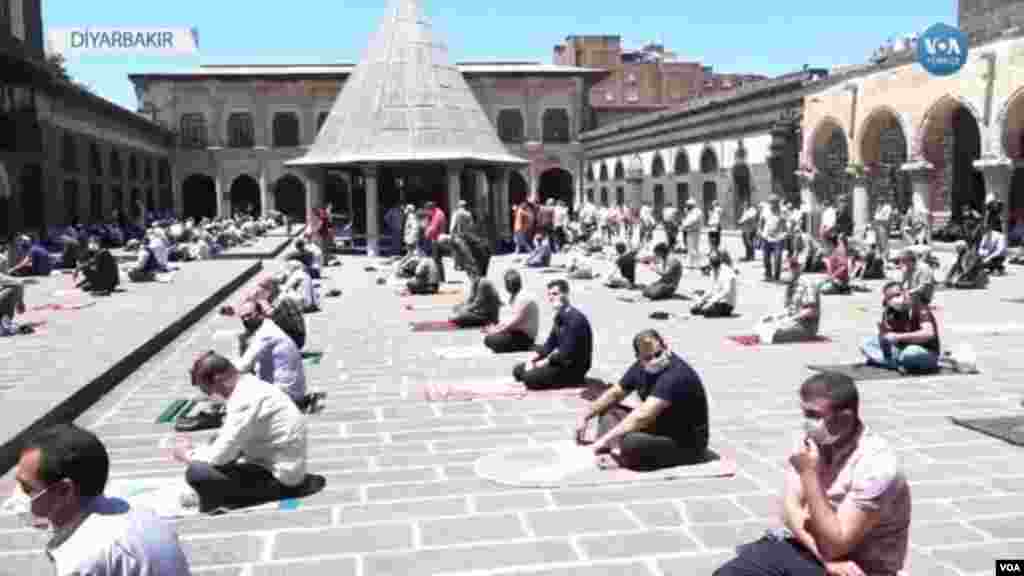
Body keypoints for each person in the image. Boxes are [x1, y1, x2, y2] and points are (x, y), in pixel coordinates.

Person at [714, 372, 910, 576]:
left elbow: (836, 545)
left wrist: (808, 474)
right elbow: (789, 510)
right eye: (805, 413)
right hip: (810, 547)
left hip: (858, 565)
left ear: (844, 418)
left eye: (814, 415)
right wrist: (823, 557)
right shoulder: (812, 441)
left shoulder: (877, 467)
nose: (806, 422)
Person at [13, 424, 191, 575]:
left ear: (64, 491)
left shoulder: (83, 556)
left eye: (27, 488)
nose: (19, 494)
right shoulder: (136, 511)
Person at [174, 352, 308, 514]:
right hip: (285, 467)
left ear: (217, 381)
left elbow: (220, 456)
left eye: (208, 390)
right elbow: (229, 442)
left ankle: (219, 498)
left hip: (282, 480)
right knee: (215, 447)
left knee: (197, 472)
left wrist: (187, 454)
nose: (211, 396)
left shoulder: (243, 400)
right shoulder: (250, 385)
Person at [576, 329, 709, 471]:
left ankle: (620, 452)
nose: (654, 360)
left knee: (632, 443)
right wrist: (585, 416)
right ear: (638, 357)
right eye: (647, 358)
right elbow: (615, 393)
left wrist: (603, 441)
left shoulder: (676, 375)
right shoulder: (640, 367)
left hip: (684, 441)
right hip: (658, 424)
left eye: (658, 354)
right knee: (609, 409)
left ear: (666, 346)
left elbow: (643, 415)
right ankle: (617, 448)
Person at [513, 279, 593, 389]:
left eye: (555, 294)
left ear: (566, 294)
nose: (552, 298)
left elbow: (566, 352)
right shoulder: (559, 316)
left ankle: (572, 381)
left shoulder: (575, 318)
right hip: (560, 361)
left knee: (528, 378)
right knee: (518, 370)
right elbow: (550, 343)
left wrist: (542, 363)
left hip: (572, 367)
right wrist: (533, 358)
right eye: (549, 295)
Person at [234, 300, 307, 405]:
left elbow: (242, 366)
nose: (246, 320)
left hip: (286, 393)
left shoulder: (265, 334)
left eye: (249, 315)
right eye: (243, 317)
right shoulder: (268, 327)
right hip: (292, 389)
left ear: (261, 314)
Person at [860, 281, 941, 374]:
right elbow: (887, 338)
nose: (896, 299)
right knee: (866, 343)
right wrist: (884, 336)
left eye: (898, 294)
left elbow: (928, 333)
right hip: (901, 348)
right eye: (891, 297)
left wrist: (897, 337)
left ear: (905, 293)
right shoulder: (889, 311)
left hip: (925, 350)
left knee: (910, 353)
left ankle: (891, 363)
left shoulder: (919, 306)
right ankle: (895, 363)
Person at [755, 253, 822, 344]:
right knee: (763, 324)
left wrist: (790, 319)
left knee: (774, 334)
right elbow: (789, 310)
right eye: (785, 270)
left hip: (805, 326)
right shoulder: (791, 285)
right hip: (793, 322)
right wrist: (775, 317)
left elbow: (811, 311)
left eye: (788, 269)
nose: (786, 272)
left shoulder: (807, 284)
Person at [483, 269, 539, 353]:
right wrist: (496, 327)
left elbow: (514, 322)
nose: (508, 287)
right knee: (490, 338)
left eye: (509, 284)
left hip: (524, 337)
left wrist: (496, 330)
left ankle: (518, 346)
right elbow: (508, 320)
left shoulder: (524, 298)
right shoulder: (516, 296)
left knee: (490, 339)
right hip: (515, 332)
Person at [691, 253, 737, 318]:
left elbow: (726, 291)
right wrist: (701, 299)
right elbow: (711, 290)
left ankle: (717, 311)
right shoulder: (713, 271)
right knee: (693, 309)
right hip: (715, 300)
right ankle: (709, 309)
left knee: (706, 311)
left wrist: (711, 302)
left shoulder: (727, 272)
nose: (712, 269)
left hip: (726, 303)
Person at [760, 196, 785, 281]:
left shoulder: (782, 211)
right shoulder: (765, 210)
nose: (772, 205)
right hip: (766, 237)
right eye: (771, 202)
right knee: (765, 257)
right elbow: (762, 222)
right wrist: (760, 231)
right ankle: (768, 274)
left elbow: (786, 224)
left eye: (774, 203)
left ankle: (776, 276)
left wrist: (784, 233)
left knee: (777, 257)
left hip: (778, 238)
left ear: (777, 203)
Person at [681, 198, 703, 269]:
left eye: (688, 205)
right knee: (691, 248)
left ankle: (697, 263)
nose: (687, 206)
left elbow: (692, 220)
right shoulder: (691, 211)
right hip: (691, 231)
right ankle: (691, 263)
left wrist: (685, 224)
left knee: (693, 248)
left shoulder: (696, 212)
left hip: (693, 231)